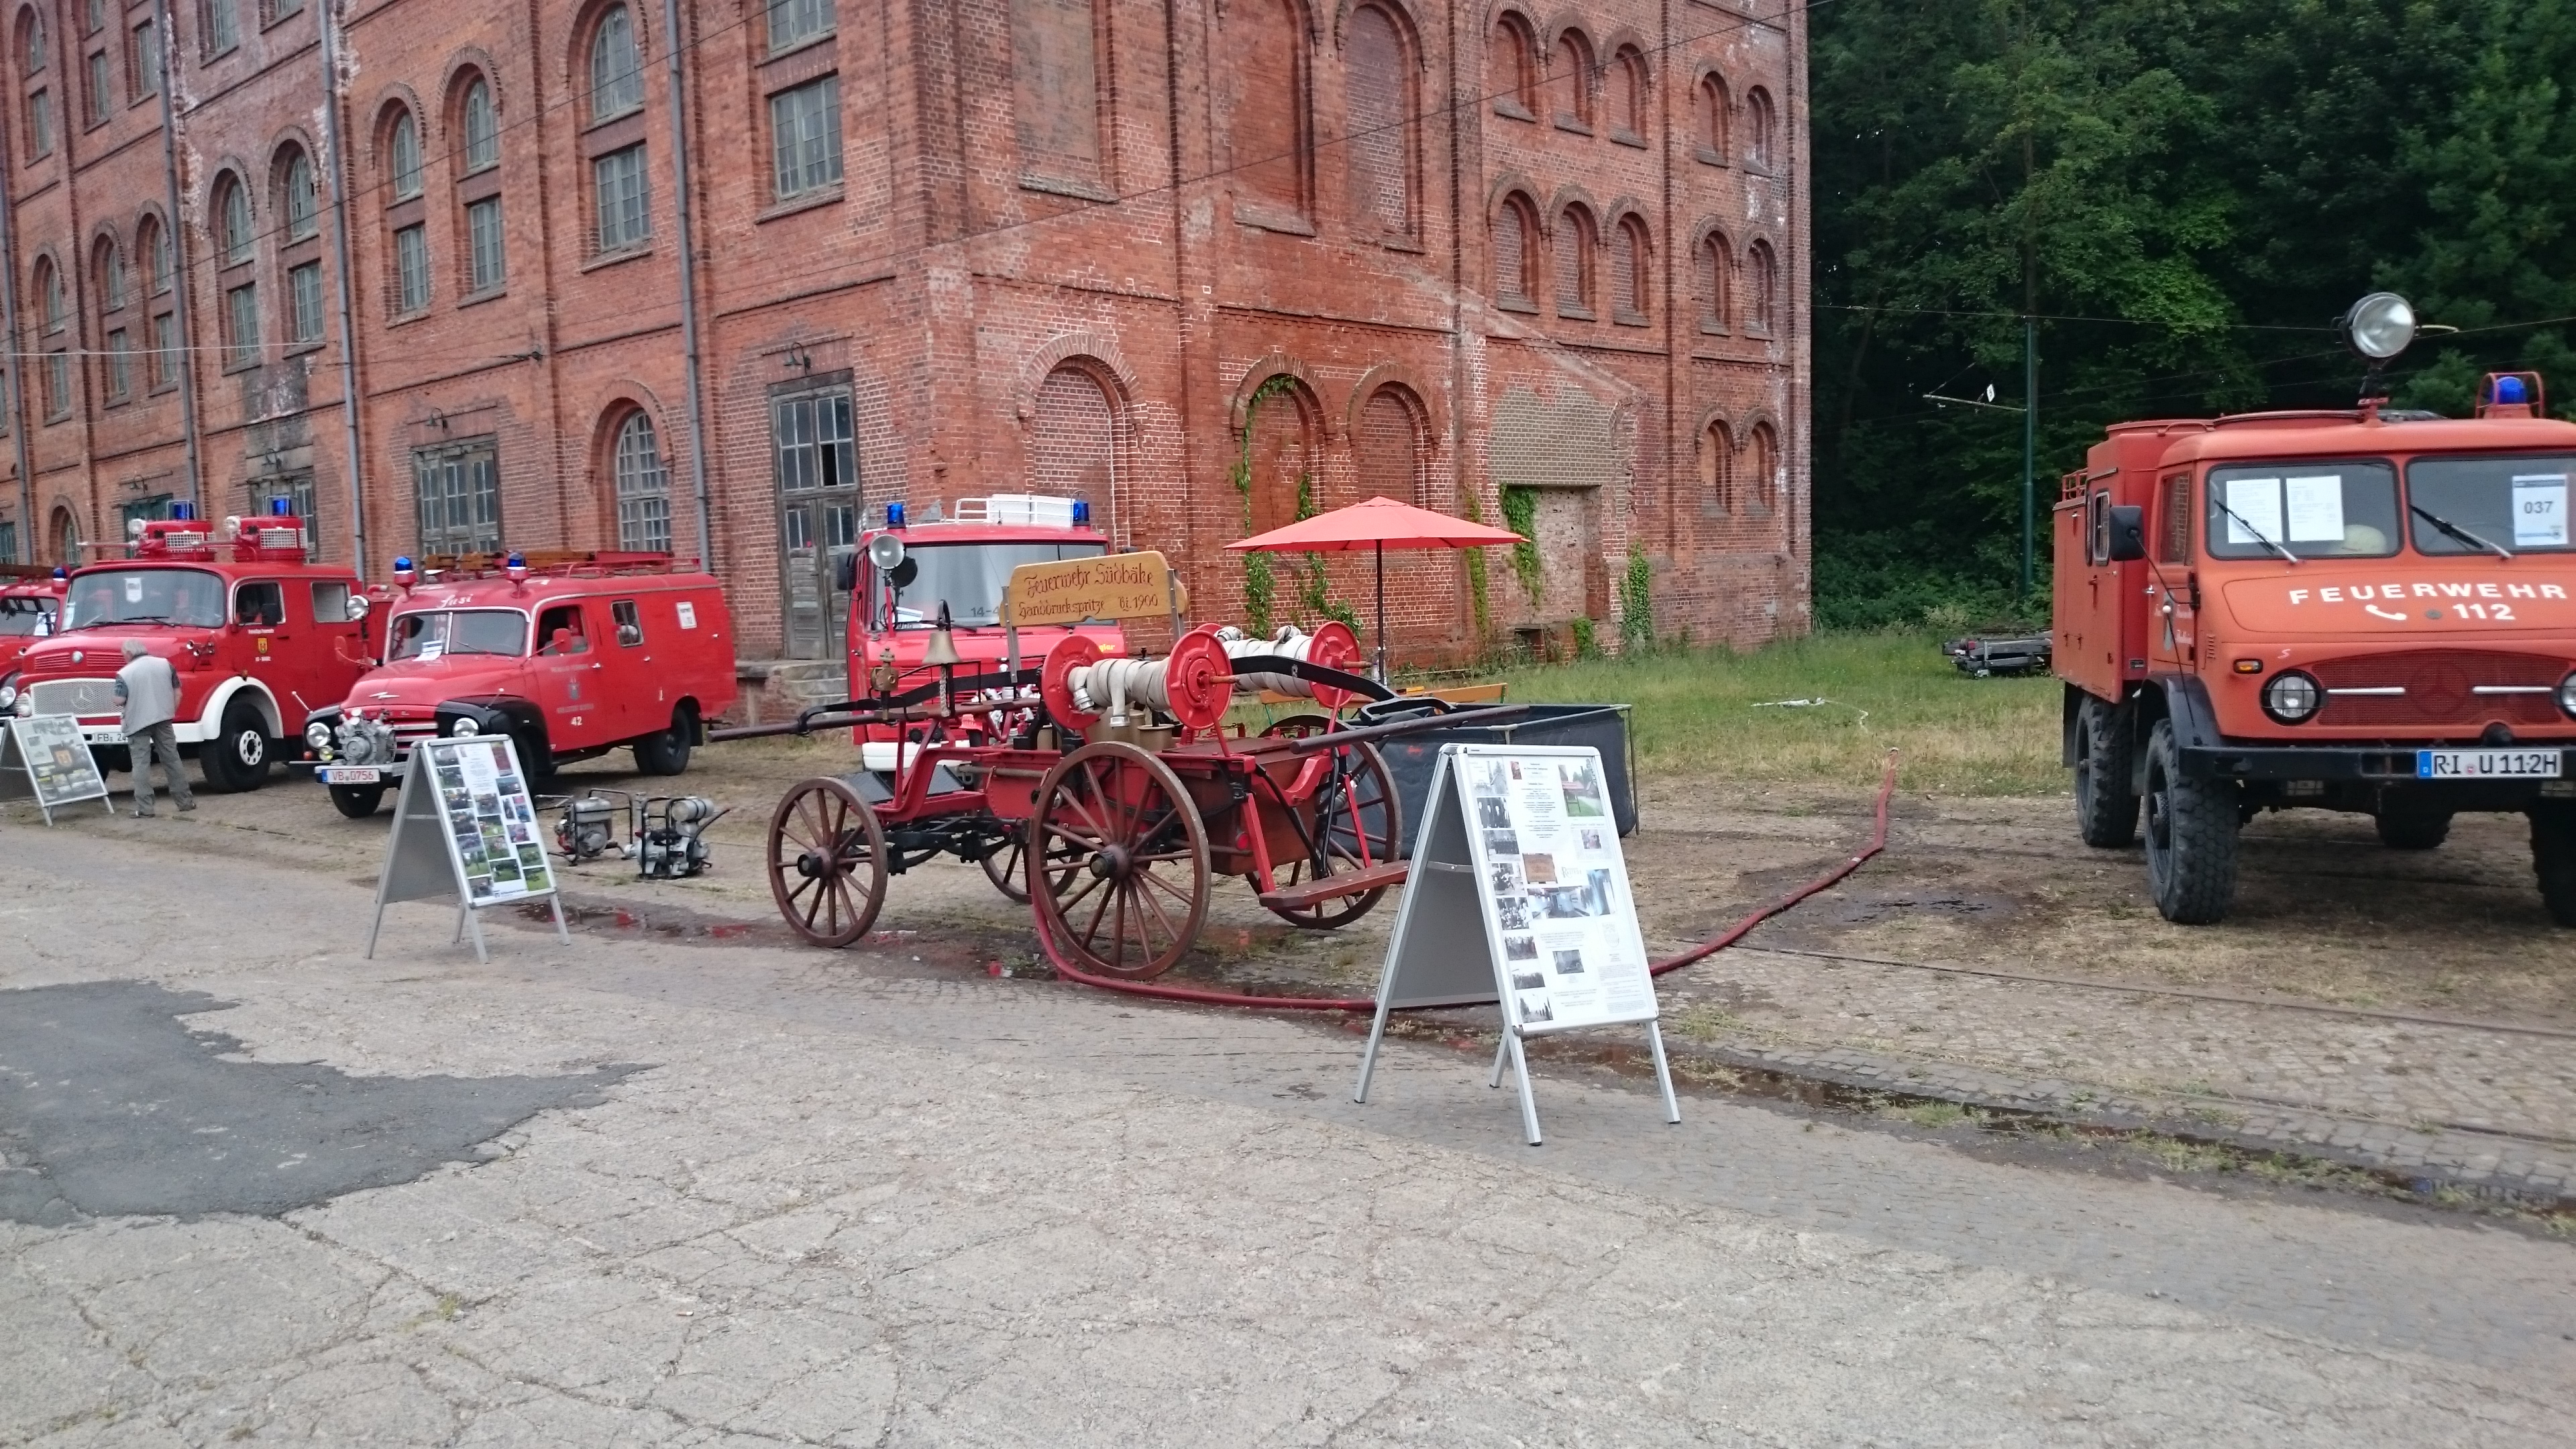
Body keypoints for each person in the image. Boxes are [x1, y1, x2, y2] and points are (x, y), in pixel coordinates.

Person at [114, 638, 192, 816]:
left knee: (141, 765)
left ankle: (145, 809)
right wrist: (169, 713)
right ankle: (185, 802)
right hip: (163, 720)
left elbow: (119, 700)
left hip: (137, 723)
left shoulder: (124, 674)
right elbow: (178, 693)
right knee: (172, 760)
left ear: (128, 654)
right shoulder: (165, 665)